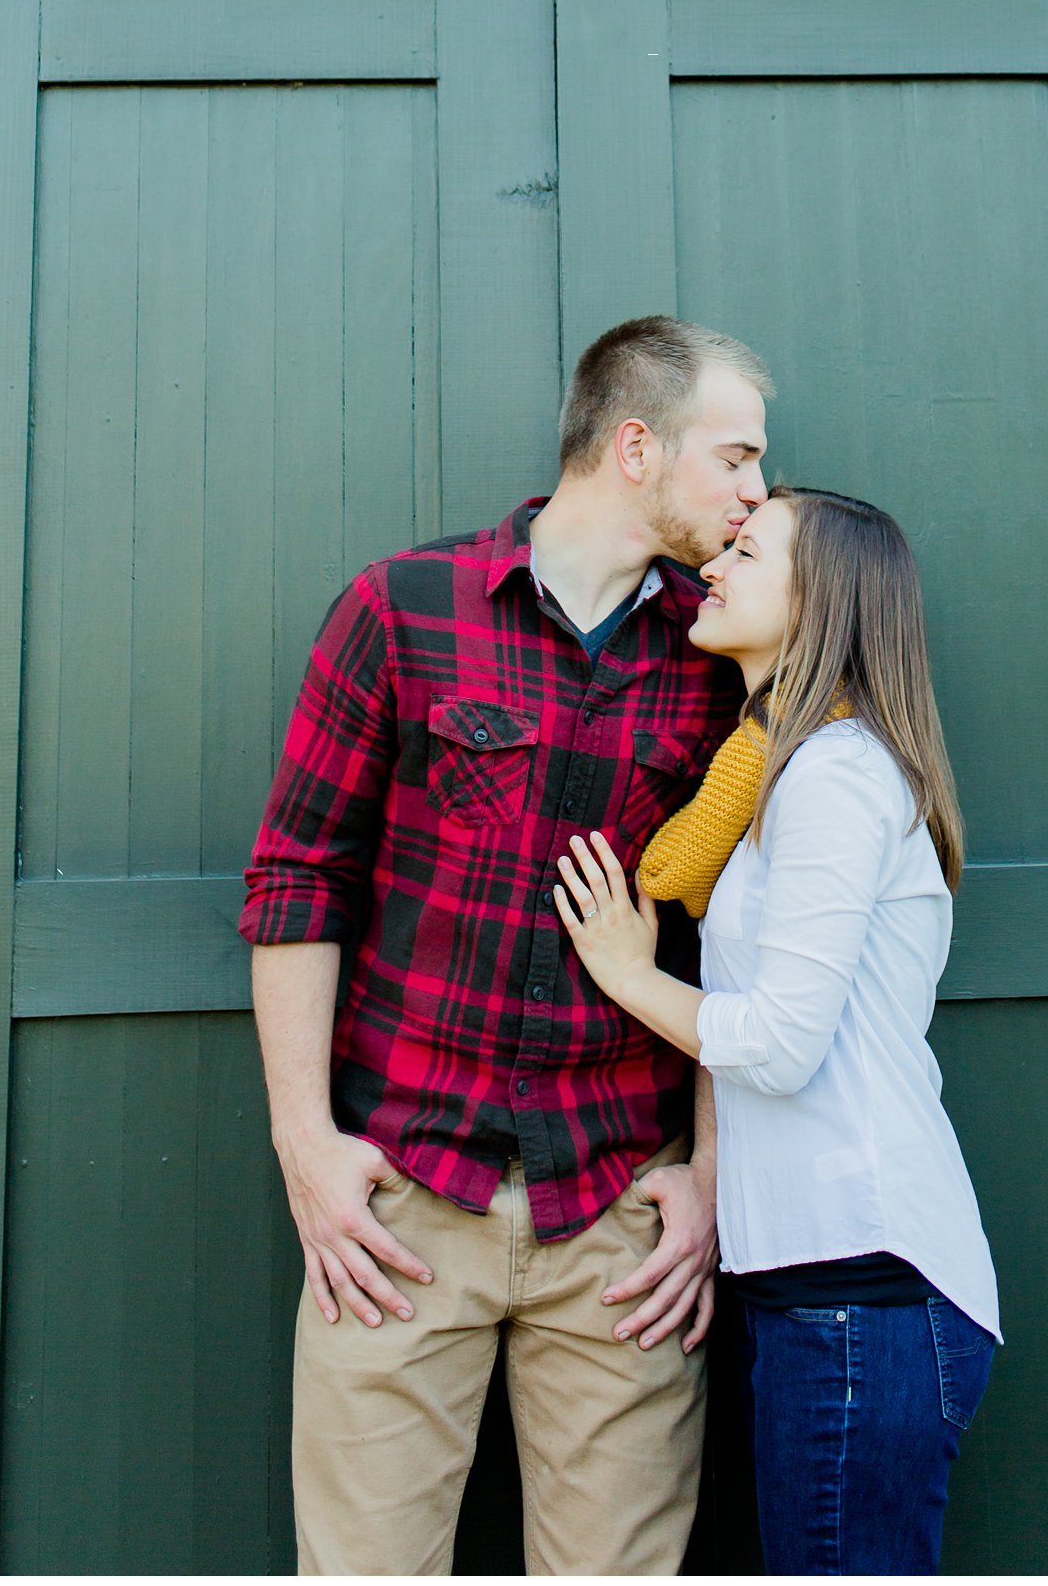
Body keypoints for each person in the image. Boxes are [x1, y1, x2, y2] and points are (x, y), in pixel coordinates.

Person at [241, 315, 774, 1578]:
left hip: (621, 1228)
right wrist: (304, 1143)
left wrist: (706, 1171)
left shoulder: (723, 654)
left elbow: (734, 935)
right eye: (737, 456)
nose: (757, 492)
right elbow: (295, 878)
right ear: (636, 444)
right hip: (399, 1210)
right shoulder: (403, 607)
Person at [556, 484, 1001, 1579]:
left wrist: (623, 971)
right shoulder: (776, 774)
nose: (715, 563)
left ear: (821, 598)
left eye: (746, 551)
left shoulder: (835, 776)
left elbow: (780, 1040)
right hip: (823, 1283)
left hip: (862, 1280)